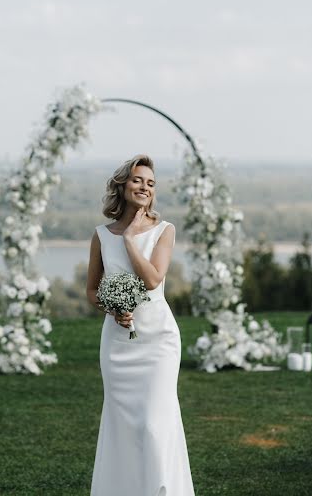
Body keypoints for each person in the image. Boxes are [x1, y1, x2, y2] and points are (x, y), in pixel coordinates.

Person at [87, 154, 195, 496]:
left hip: (158, 341)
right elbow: (91, 290)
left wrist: (131, 240)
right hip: (118, 344)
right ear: (122, 185)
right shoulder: (101, 235)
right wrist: (113, 309)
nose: (145, 187)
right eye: (137, 180)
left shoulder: (164, 231)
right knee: (122, 425)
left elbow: (151, 280)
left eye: (150, 183)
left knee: (153, 422)